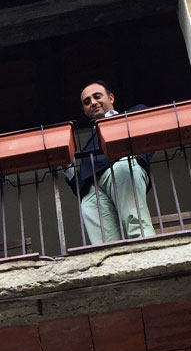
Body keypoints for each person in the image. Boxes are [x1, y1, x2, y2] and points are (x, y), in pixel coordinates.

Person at [66, 80, 153, 244]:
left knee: (135, 221)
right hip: (91, 190)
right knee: (104, 243)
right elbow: (78, 185)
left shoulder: (132, 114)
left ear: (111, 98)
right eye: (87, 102)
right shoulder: (87, 148)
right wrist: (67, 166)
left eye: (97, 96)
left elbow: (149, 134)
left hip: (121, 167)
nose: (92, 102)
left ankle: (149, 253)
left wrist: (137, 158)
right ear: (84, 110)